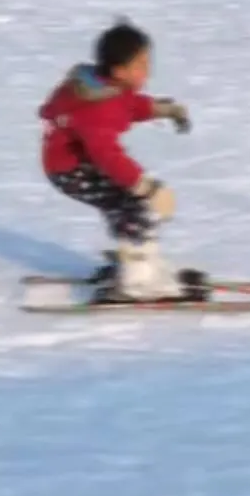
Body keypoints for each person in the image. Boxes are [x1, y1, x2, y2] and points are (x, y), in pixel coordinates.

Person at [39, 21, 191, 300]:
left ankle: (134, 256)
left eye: (148, 61)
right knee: (138, 204)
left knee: (125, 203)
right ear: (120, 71)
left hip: (75, 162)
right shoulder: (98, 106)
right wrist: (147, 188)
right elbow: (106, 155)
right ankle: (137, 278)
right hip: (70, 170)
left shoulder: (105, 85)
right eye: (141, 64)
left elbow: (129, 103)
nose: (148, 70)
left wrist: (162, 109)